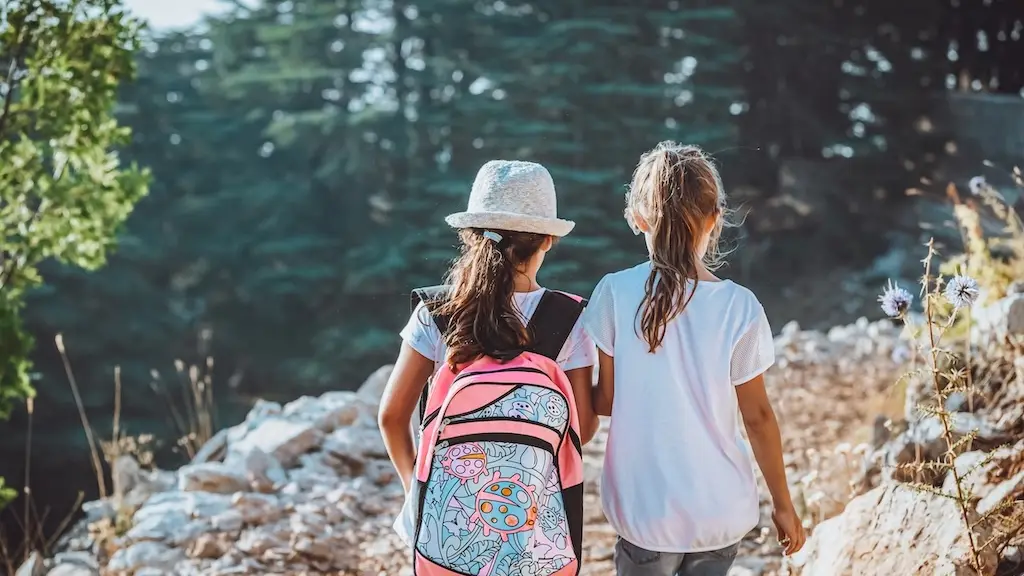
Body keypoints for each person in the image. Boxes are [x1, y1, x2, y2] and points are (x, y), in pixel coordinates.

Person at [583, 142, 805, 576]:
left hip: (646, 509)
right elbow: (758, 417)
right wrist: (783, 506)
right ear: (714, 219)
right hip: (719, 510)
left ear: (638, 219)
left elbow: (607, 402)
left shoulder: (614, 293)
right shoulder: (740, 306)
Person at [378, 159, 598, 574]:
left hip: (447, 522)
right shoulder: (570, 318)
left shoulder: (437, 310)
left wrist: (418, 488)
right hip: (530, 517)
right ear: (548, 240)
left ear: (470, 236)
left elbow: (391, 417)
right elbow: (581, 427)